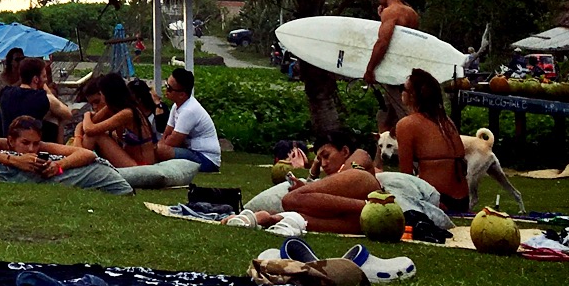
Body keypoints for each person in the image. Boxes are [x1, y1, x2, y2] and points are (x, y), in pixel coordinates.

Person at [251, 135, 381, 232]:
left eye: (326, 156)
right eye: (319, 160)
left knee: (291, 200)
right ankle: (275, 219)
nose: (323, 164)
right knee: (293, 216)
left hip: (366, 189)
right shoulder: (335, 189)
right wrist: (312, 177)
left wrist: (310, 183)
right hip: (359, 221)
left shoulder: (358, 155)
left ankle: (375, 206)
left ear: (345, 151)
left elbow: (352, 171)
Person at [395, 68, 470, 215]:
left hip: (437, 200)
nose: (401, 92)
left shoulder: (406, 124)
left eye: (403, 88)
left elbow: (406, 176)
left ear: (414, 95)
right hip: (462, 199)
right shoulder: (447, 121)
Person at [363, 0, 420, 126]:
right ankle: (382, 149)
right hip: (408, 67)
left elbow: (383, 41)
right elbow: (401, 40)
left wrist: (370, 69)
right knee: (385, 117)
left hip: (395, 72)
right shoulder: (411, 12)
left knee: (405, 117)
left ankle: (414, 145)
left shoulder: (391, 12)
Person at [0, 116, 98, 181]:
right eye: (25, 143)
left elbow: (87, 154)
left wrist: (58, 165)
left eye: (35, 143)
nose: (31, 149)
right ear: (11, 140)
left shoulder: (42, 147)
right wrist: (14, 160)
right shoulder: (0, 143)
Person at [75, 72, 155, 167]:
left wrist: (86, 114)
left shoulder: (127, 113)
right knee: (94, 135)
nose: (94, 107)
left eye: (101, 94)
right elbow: (86, 124)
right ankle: (77, 157)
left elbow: (89, 129)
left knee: (96, 136)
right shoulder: (111, 108)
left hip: (141, 165)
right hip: (129, 158)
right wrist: (78, 136)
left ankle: (77, 160)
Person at [153, 67, 221, 171]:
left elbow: (173, 141)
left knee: (161, 150)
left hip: (206, 158)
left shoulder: (189, 110)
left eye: (169, 88)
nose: (166, 90)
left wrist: (158, 148)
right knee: (158, 148)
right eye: (166, 85)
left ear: (182, 94)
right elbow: (167, 133)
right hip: (191, 151)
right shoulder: (177, 107)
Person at [0, 57, 72, 139]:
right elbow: (68, 114)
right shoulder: (43, 98)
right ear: (36, 79)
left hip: (8, 142)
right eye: (44, 76)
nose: (46, 79)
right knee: (54, 118)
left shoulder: (5, 93)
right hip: (31, 144)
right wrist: (45, 87)